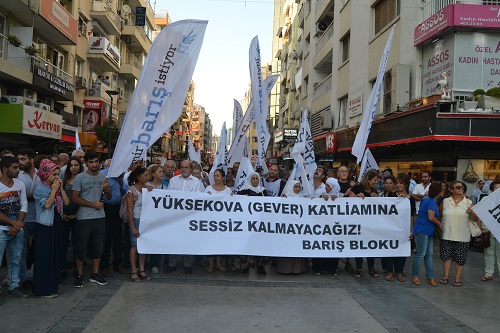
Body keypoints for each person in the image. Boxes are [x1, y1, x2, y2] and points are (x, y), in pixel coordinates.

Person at [71, 151, 112, 288]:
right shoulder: (80, 178)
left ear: (100, 162)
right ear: (86, 163)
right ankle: (79, 274)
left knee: (98, 245)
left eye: (96, 161)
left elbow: (109, 197)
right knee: (81, 246)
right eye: (91, 162)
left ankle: (95, 273)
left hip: (100, 217)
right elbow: (75, 198)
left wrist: (106, 190)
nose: (94, 164)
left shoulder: (103, 176)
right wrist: (92, 204)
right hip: (84, 217)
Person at [33, 159, 70, 298]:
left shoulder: (56, 188)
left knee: (54, 255)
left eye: (57, 174)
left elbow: (66, 202)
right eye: (54, 174)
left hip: (56, 223)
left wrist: (60, 189)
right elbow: (47, 205)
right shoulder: (40, 189)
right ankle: (43, 289)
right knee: (44, 257)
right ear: (45, 174)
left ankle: (52, 287)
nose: (56, 177)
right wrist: (54, 190)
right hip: (45, 226)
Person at [165, 160, 204, 274]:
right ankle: (172, 264)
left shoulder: (196, 182)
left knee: (188, 240)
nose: (184, 169)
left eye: (186, 167)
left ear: (191, 169)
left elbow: (199, 199)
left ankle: (188, 264)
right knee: (174, 240)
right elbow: (169, 197)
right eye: (182, 167)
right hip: (176, 217)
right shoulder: (173, 180)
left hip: (190, 217)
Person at [439, 180, 479, 287]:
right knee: (446, 257)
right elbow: (440, 215)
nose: (461, 189)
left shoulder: (469, 203)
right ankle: (445, 276)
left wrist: (471, 213)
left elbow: (475, 219)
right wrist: (440, 225)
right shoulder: (445, 201)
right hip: (447, 233)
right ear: (451, 190)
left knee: (461, 259)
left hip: (462, 235)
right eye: (458, 187)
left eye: (462, 187)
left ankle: (457, 278)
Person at [0, 156, 29, 298]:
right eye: (15, 167)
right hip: (1, 229)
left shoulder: (20, 184)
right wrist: (14, 223)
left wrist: (17, 224)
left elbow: (24, 204)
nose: (18, 170)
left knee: (16, 259)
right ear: (5, 169)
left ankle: (14, 286)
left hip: (18, 229)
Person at [231, 172, 269, 274]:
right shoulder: (244, 191)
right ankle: (245, 266)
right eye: (253, 178)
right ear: (249, 180)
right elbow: (237, 204)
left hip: (260, 223)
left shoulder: (263, 191)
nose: (255, 180)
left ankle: (261, 266)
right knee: (247, 245)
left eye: (257, 178)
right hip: (247, 223)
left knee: (260, 245)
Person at [347, 170, 380, 278]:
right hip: (358, 223)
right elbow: (347, 202)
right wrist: (356, 197)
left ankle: (371, 268)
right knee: (359, 247)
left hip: (371, 224)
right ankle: (359, 268)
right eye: (374, 180)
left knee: (371, 246)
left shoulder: (374, 190)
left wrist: (377, 199)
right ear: (369, 180)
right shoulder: (357, 188)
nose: (376, 182)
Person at [100, 159, 128, 278]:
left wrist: (121, 181)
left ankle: (117, 263)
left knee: (118, 237)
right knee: (106, 238)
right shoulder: (103, 175)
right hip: (105, 208)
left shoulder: (119, 177)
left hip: (117, 208)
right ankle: (104, 265)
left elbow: (125, 190)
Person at [16, 148, 39, 290]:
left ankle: (38, 276)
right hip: (23, 219)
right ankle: (24, 278)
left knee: (39, 250)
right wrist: (32, 196)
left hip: (39, 218)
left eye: (23, 159)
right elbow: (18, 196)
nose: (20, 162)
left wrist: (32, 195)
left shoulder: (41, 174)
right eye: (18, 159)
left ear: (31, 160)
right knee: (22, 251)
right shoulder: (17, 175)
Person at [411, 183, 442, 287]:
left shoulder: (426, 199)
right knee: (423, 253)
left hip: (425, 229)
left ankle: (430, 276)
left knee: (427, 254)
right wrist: (440, 224)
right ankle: (417, 276)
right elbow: (431, 217)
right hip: (424, 229)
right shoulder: (431, 201)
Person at [60, 156, 84, 282]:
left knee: (77, 242)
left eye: (76, 165)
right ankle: (62, 268)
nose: (74, 167)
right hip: (65, 213)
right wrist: (62, 213)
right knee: (63, 242)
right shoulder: (64, 180)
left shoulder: (83, 180)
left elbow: (85, 197)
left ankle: (77, 267)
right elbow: (59, 198)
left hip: (79, 212)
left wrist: (77, 214)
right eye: (71, 165)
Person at [276, 180, 309, 274]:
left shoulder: (302, 198)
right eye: (296, 186)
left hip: (298, 229)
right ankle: (285, 269)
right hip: (287, 229)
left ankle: (298, 269)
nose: (298, 189)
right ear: (291, 187)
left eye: (299, 187)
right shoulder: (285, 197)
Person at [126, 167, 152, 282]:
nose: (147, 177)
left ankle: (142, 269)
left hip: (145, 220)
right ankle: (133, 270)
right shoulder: (131, 191)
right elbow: (129, 210)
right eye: (145, 175)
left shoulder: (147, 188)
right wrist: (133, 227)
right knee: (134, 245)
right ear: (138, 177)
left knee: (143, 245)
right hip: (136, 219)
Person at [204, 169, 232, 273]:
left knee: (220, 243)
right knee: (210, 243)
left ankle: (218, 264)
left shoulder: (227, 190)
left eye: (218, 176)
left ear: (223, 177)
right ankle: (210, 264)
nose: (216, 178)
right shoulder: (208, 188)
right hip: (210, 221)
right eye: (215, 176)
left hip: (223, 222)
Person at [147, 164, 167, 273]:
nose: (162, 173)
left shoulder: (165, 187)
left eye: (162, 171)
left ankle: (155, 263)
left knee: (157, 241)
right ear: (153, 174)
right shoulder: (146, 186)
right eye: (160, 172)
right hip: (148, 218)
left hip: (160, 219)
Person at [479, 180, 500, 282]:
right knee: (489, 253)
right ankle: (488, 273)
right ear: (492, 190)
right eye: (496, 188)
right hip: (489, 231)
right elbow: (481, 214)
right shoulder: (486, 200)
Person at [379, 175, 397, 280]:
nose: (388, 185)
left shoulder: (397, 196)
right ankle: (385, 268)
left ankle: (391, 269)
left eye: (390, 183)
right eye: (386, 183)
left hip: (393, 226)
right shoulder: (380, 195)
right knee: (383, 247)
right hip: (382, 225)